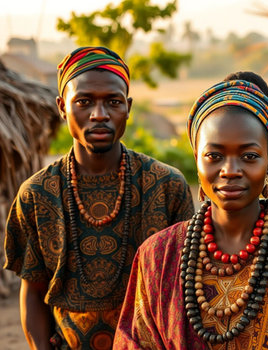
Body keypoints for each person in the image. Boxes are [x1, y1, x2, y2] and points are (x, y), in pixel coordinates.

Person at [113, 71, 268, 349]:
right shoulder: (156, 256)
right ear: (197, 158)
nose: (230, 171)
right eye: (214, 156)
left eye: (249, 156)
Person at [3, 46, 194, 350]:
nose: (99, 114)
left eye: (113, 102)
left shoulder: (166, 186)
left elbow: (184, 293)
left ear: (128, 107)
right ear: (62, 107)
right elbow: (33, 292)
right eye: (84, 101)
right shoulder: (36, 195)